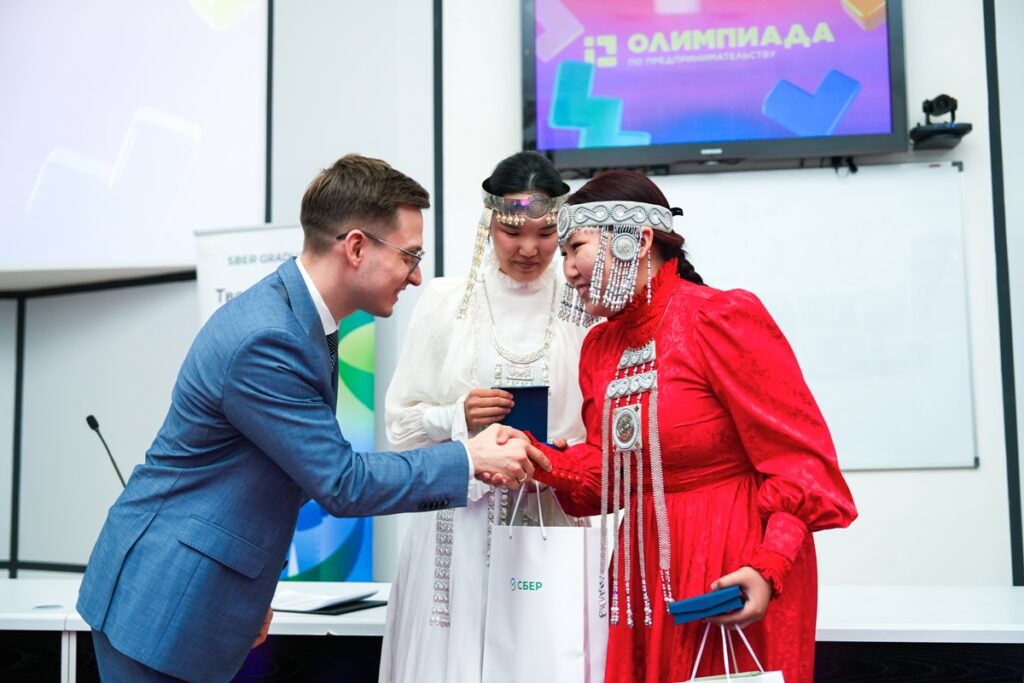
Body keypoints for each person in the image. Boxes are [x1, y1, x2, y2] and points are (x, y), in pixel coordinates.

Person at [76, 154, 549, 683]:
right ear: (356, 247)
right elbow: (342, 483)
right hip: (164, 598)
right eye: (409, 256)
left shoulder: (299, 319)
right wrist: (469, 458)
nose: (417, 277)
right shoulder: (269, 338)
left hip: (197, 587)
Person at [527, 170, 857, 683]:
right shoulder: (599, 347)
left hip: (736, 561)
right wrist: (534, 457)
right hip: (642, 572)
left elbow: (801, 465)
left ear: (638, 240)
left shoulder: (720, 317)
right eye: (564, 254)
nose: (566, 269)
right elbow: (611, 480)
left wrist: (771, 564)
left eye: (576, 248)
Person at [378, 151, 588, 683]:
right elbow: (399, 426)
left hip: (551, 516)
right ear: (488, 225)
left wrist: (566, 454)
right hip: (461, 525)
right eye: (512, 232)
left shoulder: (582, 304)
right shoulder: (446, 302)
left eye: (546, 233)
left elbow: (602, 423)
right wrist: (458, 413)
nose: (528, 248)